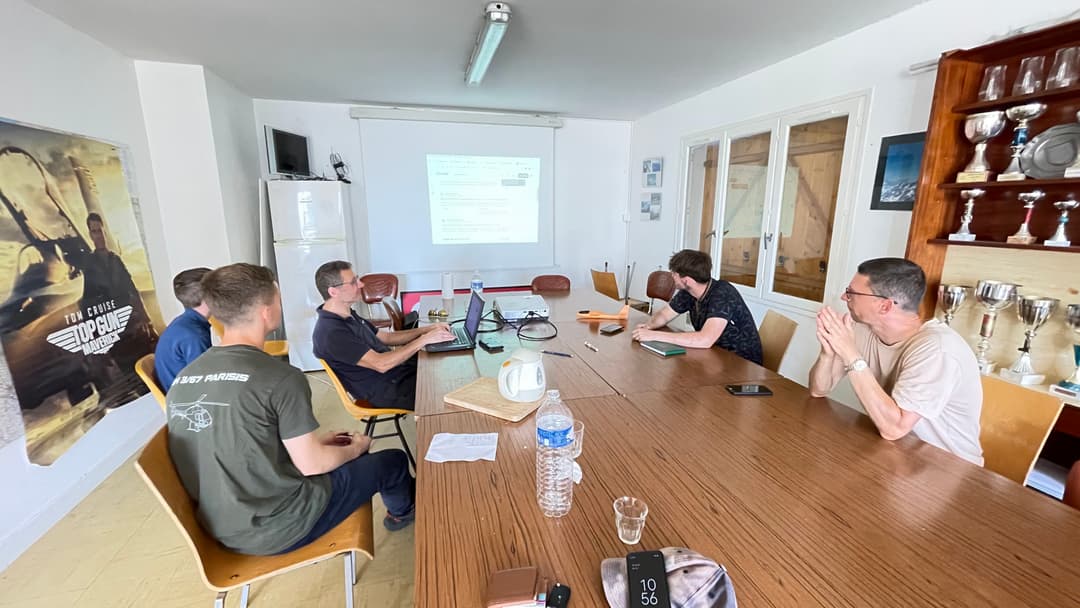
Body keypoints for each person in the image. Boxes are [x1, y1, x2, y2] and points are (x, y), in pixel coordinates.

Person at [166, 263, 416, 556]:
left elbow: (239, 444)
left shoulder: (185, 378)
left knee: (337, 454)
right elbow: (313, 466)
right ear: (265, 311)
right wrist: (358, 447)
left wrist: (316, 443)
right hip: (284, 525)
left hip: (221, 529)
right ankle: (404, 513)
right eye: (278, 298)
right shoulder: (280, 377)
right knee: (393, 461)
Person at [809, 257, 983, 466]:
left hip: (951, 470)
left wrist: (849, 353)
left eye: (852, 292)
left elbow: (894, 428)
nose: (844, 297)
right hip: (895, 455)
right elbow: (819, 390)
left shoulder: (937, 350)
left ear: (884, 306)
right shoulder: (863, 329)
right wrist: (828, 353)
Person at [312, 261, 453, 410]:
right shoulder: (333, 333)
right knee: (446, 388)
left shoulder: (347, 314)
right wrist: (424, 340)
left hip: (397, 374)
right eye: (354, 282)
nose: (361, 284)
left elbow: (386, 338)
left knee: (444, 366)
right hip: (388, 389)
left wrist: (426, 330)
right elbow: (381, 364)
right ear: (333, 292)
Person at [632, 249, 763, 365]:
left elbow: (705, 340)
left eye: (674, 273)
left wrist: (654, 335)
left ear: (687, 280)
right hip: (714, 356)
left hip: (742, 364)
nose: (671, 276)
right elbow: (665, 315)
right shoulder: (688, 292)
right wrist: (649, 326)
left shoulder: (723, 294)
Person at [154, 267, 212, 389]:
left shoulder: (183, 323)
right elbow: (205, 383)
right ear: (207, 297)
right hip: (188, 401)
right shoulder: (195, 335)